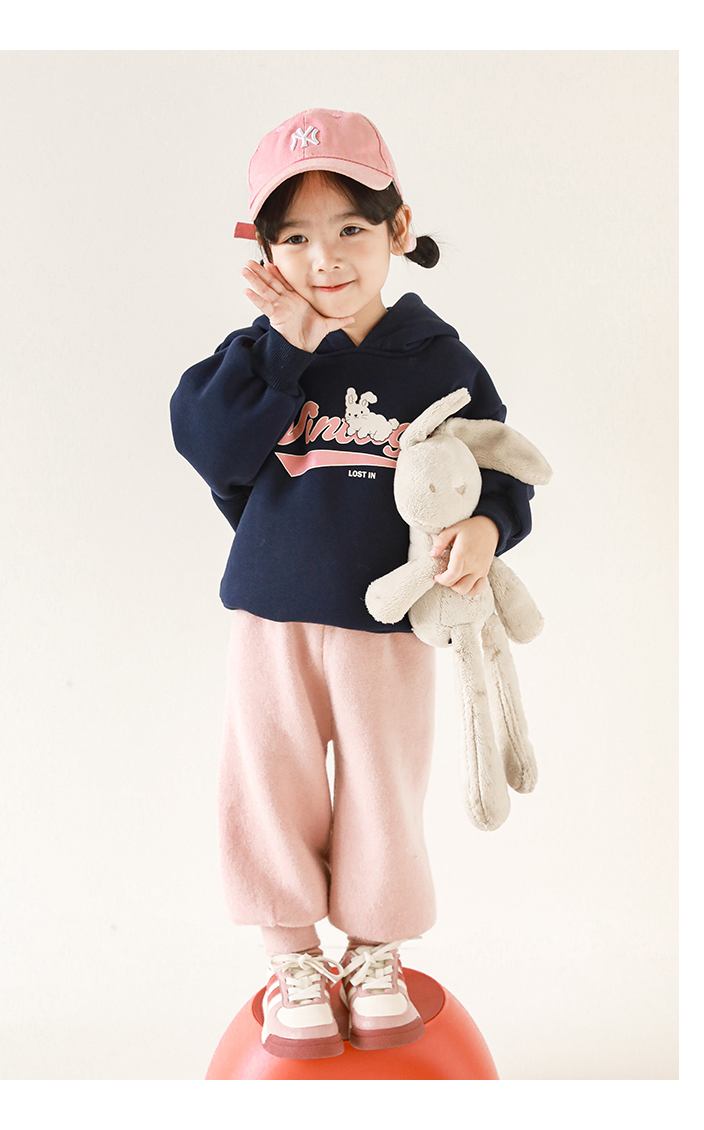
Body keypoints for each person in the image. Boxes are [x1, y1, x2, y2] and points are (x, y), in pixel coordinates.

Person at [170, 108, 534, 1061]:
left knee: (383, 785)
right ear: (262, 250)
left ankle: (375, 955)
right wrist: (286, 345)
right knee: (270, 780)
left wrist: (488, 528)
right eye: (294, 237)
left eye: (349, 229)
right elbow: (208, 447)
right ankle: (291, 959)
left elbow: (499, 467)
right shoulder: (258, 355)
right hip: (273, 616)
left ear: (398, 229)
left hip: (392, 624)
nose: (324, 259)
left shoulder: (437, 359)